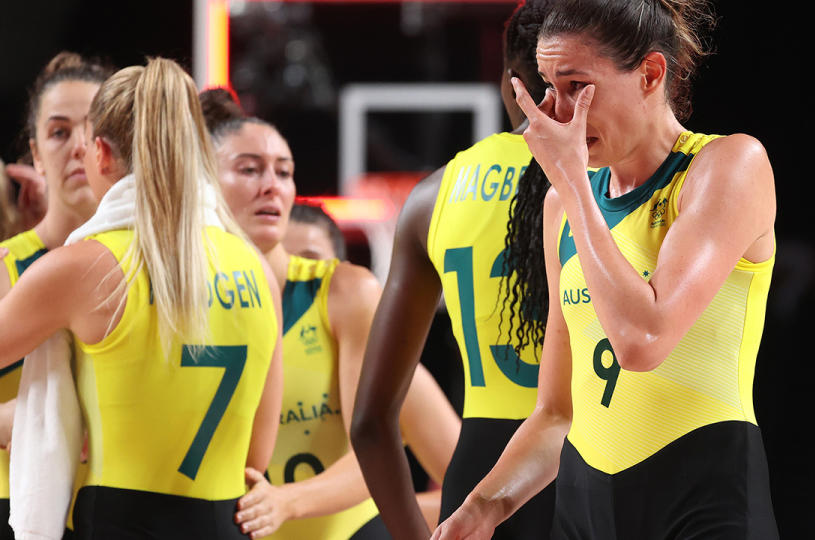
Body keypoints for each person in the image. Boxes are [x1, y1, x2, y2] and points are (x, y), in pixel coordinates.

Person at [434, 0, 780, 538]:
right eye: (548, 85)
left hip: (702, 494)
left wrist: (572, 185)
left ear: (650, 74)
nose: (556, 111)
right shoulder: (564, 206)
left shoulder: (728, 166)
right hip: (585, 505)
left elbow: (643, 340)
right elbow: (555, 414)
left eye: (576, 85)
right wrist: (482, 508)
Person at [0, 58, 283, 538]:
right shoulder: (257, 267)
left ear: (103, 155)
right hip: (224, 523)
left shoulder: (83, 268)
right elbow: (258, 454)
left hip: (121, 522)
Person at [199, 89, 459, 540]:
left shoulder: (346, 292)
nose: (272, 185)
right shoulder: (180, 299)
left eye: (284, 172)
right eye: (249, 169)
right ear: (202, 182)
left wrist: (286, 501)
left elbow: (381, 449)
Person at [350, 2, 557, 538]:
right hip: (587, 465)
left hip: (477, 473)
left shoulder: (429, 197)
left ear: (508, 83)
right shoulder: (611, 182)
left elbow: (371, 424)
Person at [0, 51, 111, 539]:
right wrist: (22, 421)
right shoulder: (5, 265)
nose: (79, 147)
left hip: (123, 507)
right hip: (14, 509)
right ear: (36, 153)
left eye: (94, 128)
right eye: (59, 132)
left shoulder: (155, 266)